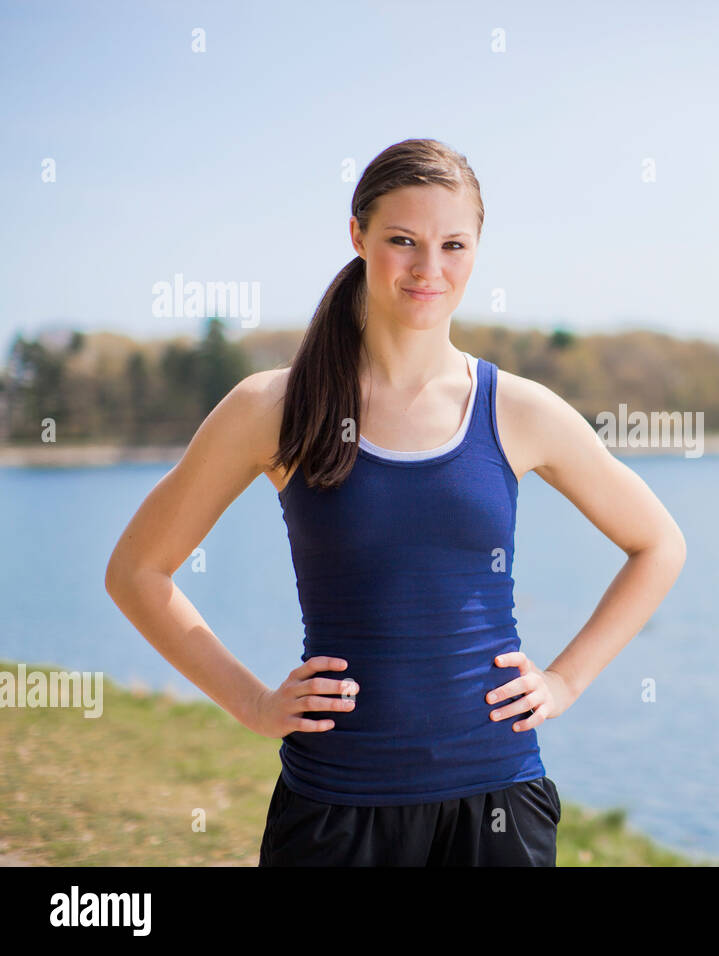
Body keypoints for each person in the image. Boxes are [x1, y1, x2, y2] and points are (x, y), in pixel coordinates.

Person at [104, 138, 687, 866]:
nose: (428, 269)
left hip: (497, 803)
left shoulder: (518, 411)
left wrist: (566, 679)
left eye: (453, 245)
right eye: (403, 241)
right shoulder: (274, 407)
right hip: (336, 810)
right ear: (358, 236)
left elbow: (659, 544)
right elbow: (137, 571)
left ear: (477, 251)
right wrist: (253, 704)